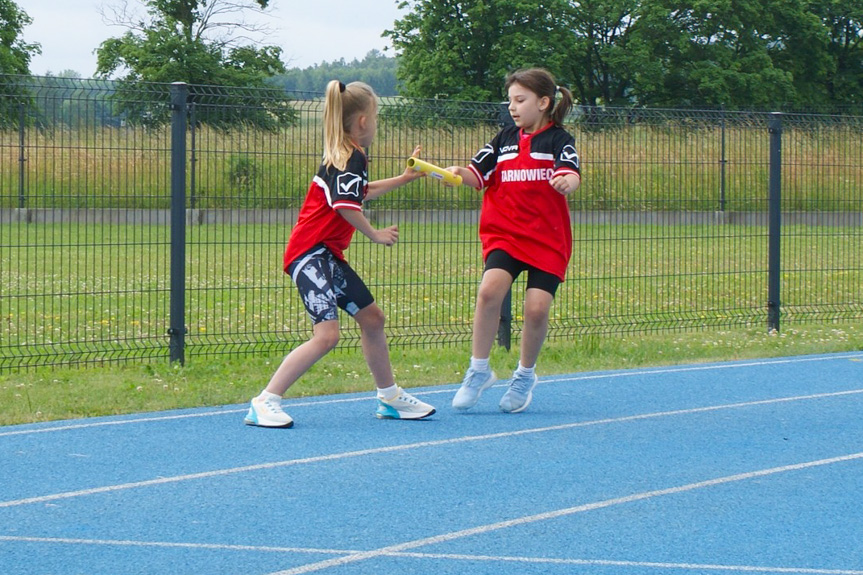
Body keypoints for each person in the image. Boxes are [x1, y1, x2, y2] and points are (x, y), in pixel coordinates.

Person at [245, 80, 436, 428]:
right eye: (375, 118)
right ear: (362, 121)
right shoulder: (350, 156)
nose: (376, 125)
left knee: (373, 319)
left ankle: (390, 398)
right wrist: (374, 234)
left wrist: (405, 178)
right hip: (309, 255)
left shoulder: (347, 155)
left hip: (326, 255)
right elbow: (348, 206)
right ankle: (265, 400)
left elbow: (360, 192)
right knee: (327, 335)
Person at [445, 68, 581, 413]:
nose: (513, 107)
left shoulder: (560, 141)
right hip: (504, 235)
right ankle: (478, 370)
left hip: (548, 240)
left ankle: (524, 375)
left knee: (536, 309)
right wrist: (457, 175)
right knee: (489, 291)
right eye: (510, 101)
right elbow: (476, 176)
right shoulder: (502, 140)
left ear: (544, 102)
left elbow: (570, 170)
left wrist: (568, 180)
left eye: (520, 100)